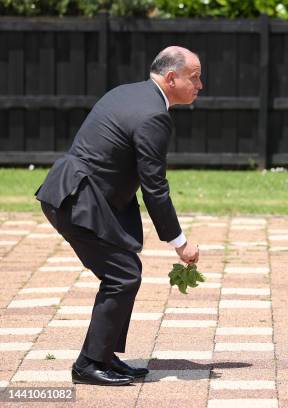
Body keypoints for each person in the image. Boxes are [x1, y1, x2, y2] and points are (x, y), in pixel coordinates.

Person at [35, 46, 202, 386]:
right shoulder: (154, 115)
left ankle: (104, 355)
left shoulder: (128, 92)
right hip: (76, 200)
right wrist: (180, 243)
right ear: (171, 78)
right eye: (195, 77)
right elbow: (155, 187)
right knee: (123, 275)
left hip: (75, 193)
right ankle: (89, 364)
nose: (201, 85)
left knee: (125, 270)